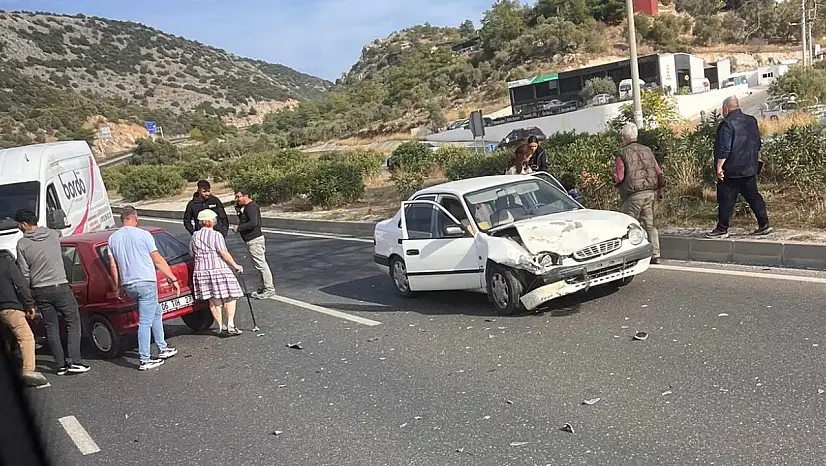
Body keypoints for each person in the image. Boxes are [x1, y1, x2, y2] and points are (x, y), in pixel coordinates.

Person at [13, 210, 89, 375]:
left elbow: (24, 273)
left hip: (40, 290)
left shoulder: (22, 244)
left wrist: (27, 295)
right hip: (60, 286)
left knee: (51, 327)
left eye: (18, 224)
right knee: (73, 322)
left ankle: (60, 365)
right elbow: (63, 229)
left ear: (24, 224)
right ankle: (75, 361)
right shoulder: (53, 235)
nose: (18, 227)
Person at [107, 207, 179, 370]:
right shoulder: (144, 235)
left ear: (122, 219)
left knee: (156, 312)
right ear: (135, 218)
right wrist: (171, 277)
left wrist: (117, 286)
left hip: (129, 284)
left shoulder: (112, 239)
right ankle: (145, 359)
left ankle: (162, 347)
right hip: (146, 281)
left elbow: (113, 265)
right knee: (145, 322)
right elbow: (158, 260)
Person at [707, 96, 771, 238]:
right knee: (753, 196)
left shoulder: (727, 124)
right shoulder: (751, 120)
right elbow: (757, 143)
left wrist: (719, 167)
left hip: (732, 170)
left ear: (726, 108)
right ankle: (764, 224)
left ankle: (721, 229)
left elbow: (724, 147)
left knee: (725, 198)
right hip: (749, 168)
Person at [612, 123, 665, 264]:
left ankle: (628, 255)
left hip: (633, 194)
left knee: (626, 224)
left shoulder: (622, 154)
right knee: (649, 224)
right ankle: (655, 254)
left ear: (624, 137)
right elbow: (658, 171)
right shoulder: (647, 150)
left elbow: (619, 177)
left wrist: (615, 183)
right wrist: (660, 189)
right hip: (650, 192)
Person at [191, 209, 245, 336]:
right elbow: (223, 252)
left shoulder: (194, 236)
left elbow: (192, 253)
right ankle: (230, 324)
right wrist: (235, 265)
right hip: (218, 269)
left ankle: (221, 327)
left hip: (201, 271)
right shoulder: (216, 235)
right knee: (230, 295)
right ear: (209, 222)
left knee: (214, 300)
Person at [0, 249, 49, 388]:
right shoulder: (7, 264)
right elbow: (21, 286)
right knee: (26, 338)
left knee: (7, 341)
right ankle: (28, 371)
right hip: (11, 308)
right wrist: (29, 304)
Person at [232, 190, 275, 300]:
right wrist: (239, 212)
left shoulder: (251, 207)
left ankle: (269, 289)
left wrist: (239, 228)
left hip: (254, 240)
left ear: (246, 196)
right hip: (251, 240)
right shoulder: (246, 208)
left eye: (238, 197)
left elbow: (253, 223)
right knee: (258, 265)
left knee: (261, 265)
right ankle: (263, 287)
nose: (237, 199)